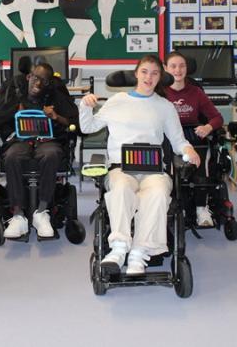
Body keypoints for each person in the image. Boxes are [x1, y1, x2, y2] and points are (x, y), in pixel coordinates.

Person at [79, 55, 201, 275]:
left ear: (160, 77)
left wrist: (188, 150)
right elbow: (88, 127)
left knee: (158, 192)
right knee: (122, 188)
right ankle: (119, 247)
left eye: (155, 73)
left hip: (152, 168)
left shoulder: (164, 106)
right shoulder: (117, 101)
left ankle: (139, 252)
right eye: (145, 71)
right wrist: (85, 106)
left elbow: (177, 140)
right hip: (121, 167)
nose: (149, 77)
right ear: (136, 73)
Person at [0, 61, 78, 239]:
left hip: (47, 141)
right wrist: (15, 111)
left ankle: (42, 212)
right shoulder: (15, 96)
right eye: (35, 78)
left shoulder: (55, 97)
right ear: (29, 76)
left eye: (43, 81)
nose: (38, 84)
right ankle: (18, 215)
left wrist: (55, 116)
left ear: (49, 83)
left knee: (51, 154)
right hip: (20, 141)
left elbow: (75, 123)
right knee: (12, 156)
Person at [163, 52, 225, 227]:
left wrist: (208, 127)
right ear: (165, 69)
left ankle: (201, 208)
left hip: (192, 135)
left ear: (187, 68)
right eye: (173, 66)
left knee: (200, 167)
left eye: (181, 66)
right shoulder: (160, 93)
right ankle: (166, 205)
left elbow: (217, 118)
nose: (178, 70)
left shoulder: (196, 92)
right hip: (167, 136)